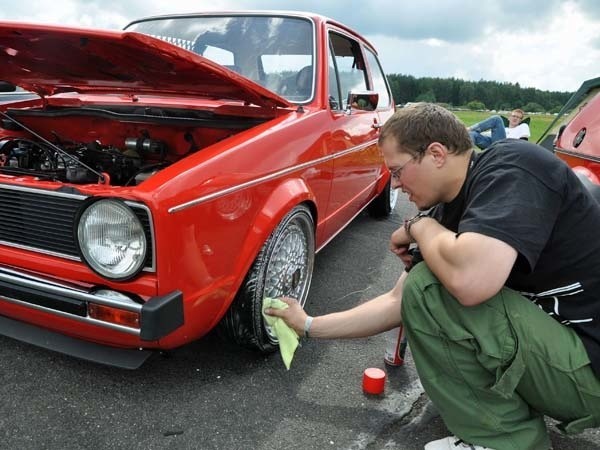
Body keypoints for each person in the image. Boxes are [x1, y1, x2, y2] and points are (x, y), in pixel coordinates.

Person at [266, 103, 600, 450]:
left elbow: (471, 281)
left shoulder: (513, 165)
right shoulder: (445, 215)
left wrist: (419, 226)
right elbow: (398, 301)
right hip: (564, 363)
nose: (395, 185)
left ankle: (505, 441)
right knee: (424, 287)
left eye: (397, 171)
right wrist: (307, 324)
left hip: (590, 372)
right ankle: (498, 422)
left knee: (430, 286)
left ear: (437, 153)